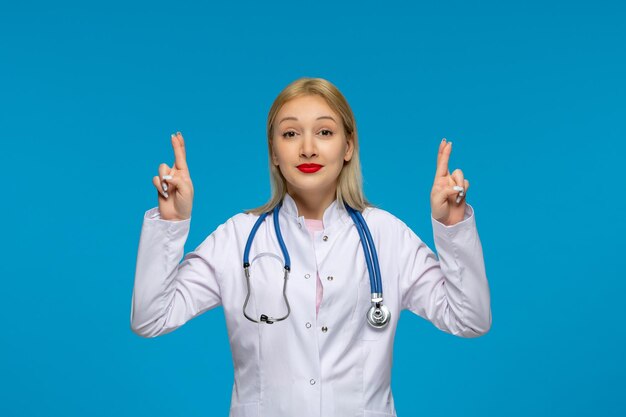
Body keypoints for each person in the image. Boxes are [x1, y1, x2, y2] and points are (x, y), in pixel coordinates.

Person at [130, 77, 492, 417]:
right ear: (273, 151)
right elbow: (151, 319)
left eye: (324, 132)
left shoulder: (386, 235)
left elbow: (469, 319)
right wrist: (171, 224)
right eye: (290, 133)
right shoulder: (238, 238)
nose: (307, 148)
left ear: (347, 146)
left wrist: (452, 225)